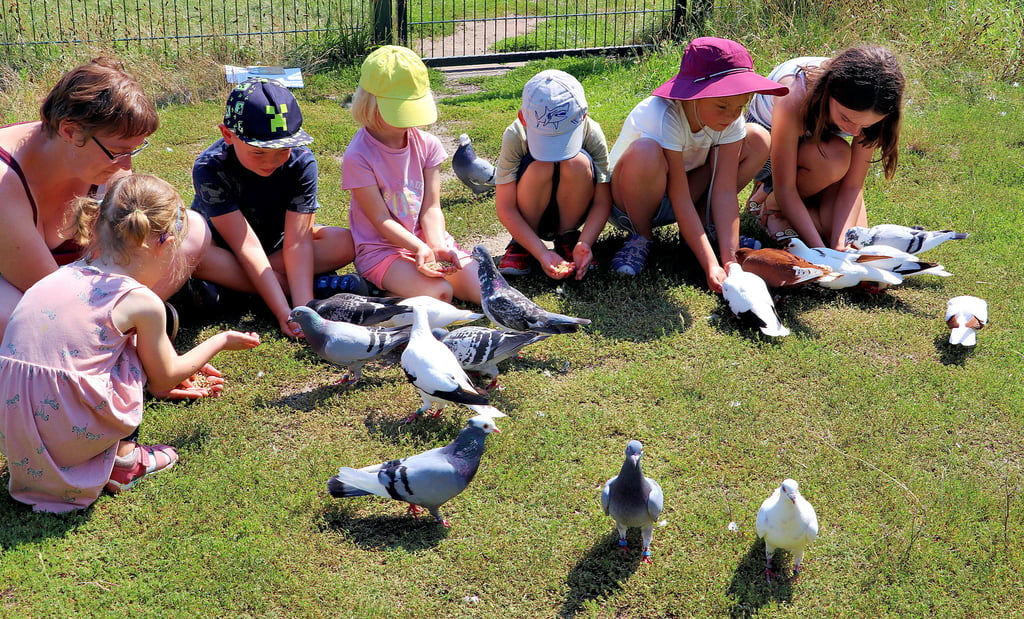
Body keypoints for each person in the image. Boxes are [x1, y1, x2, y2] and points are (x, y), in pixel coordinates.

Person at [0, 174, 262, 513]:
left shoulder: (55, 277)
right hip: (71, 433)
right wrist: (221, 340)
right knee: (131, 350)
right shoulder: (141, 301)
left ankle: (66, 462)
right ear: (165, 245)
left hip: (12, 430)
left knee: (109, 345)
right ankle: (124, 461)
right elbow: (164, 378)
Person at [0, 57, 209, 344]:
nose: (126, 167)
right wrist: (156, 358)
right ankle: (131, 333)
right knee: (12, 316)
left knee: (192, 229)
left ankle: (128, 329)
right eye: (117, 152)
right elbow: (49, 294)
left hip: (82, 283)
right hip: (32, 290)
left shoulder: (99, 157)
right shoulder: (5, 182)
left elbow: (128, 244)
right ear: (69, 131)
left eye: (133, 151)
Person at [606, 37, 789, 292]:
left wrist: (729, 260)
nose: (732, 115)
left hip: (680, 194)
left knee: (757, 137)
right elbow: (679, 196)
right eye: (722, 105)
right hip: (630, 201)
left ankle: (706, 226)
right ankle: (642, 237)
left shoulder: (730, 118)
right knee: (646, 150)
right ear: (693, 96)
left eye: (740, 106)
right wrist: (709, 265)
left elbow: (724, 190)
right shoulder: (663, 114)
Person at [190, 77, 362, 338]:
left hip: (278, 249)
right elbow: (244, 245)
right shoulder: (209, 168)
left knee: (344, 242)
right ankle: (306, 286)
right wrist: (284, 311)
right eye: (259, 152)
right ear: (228, 135)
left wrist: (304, 309)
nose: (271, 161)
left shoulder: (302, 162)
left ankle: (238, 290)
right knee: (195, 256)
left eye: (283, 150)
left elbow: (298, 241)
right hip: (226, 251)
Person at [343, 45, 481, 304]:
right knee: (440, 294)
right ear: (371, 104)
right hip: (383, 251)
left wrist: (436, 245)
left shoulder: (427, 144)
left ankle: (396, 291)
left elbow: (431, 206)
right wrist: (418, 248)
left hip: (427, 241)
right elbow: (381, 219)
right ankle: (377, 292)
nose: (409, 121)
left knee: (484, 290)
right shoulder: (358, 156)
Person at [745, 46, 905, 249]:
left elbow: (853, 185)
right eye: (846, 118)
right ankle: (771, 204)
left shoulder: (874, 102)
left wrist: (840, 243)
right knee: (836, 158)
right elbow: (786, 187)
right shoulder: (794, 92)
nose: (855, 132)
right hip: (767, 156)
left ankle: (771, 200)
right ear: (828, 93)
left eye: (866, 125)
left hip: (815, 155)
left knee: (851, 238)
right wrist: (819, 249)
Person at [493, 69, 611, 280]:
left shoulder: (592, 131)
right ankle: (523, 243)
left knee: (576, 162)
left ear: (583, 116)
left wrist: (586, 242)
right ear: (523, 118)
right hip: (529, 212)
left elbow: (603, 200)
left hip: (572, 211)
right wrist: (541, 251)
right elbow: (505, 206)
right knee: (541, 164)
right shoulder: (515, 135)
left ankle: (569, 239)